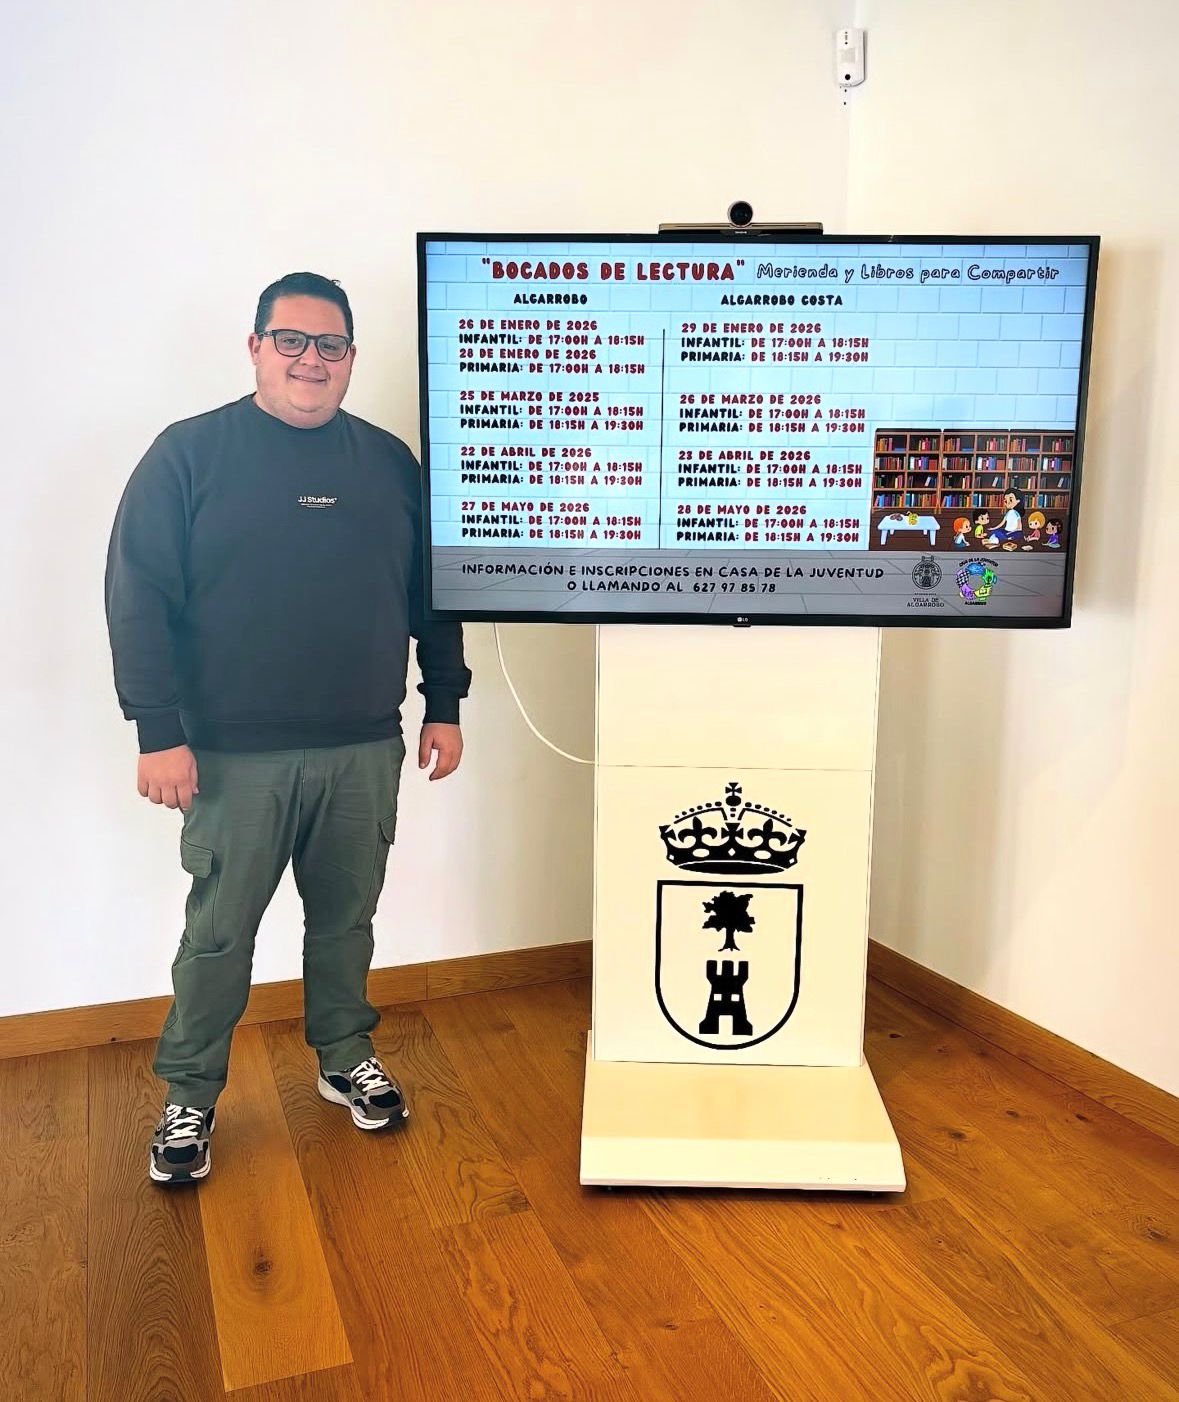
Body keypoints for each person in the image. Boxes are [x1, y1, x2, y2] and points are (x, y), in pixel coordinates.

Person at [105, 272, 471, 1185]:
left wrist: (445, 701)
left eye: (330, 344)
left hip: (364, 744)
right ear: (256, 347)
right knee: (218, 937)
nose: (312, 359)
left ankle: (344, 1056)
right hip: (230, 754)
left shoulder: (388, 463)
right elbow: (137, 597)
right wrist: (156, 731)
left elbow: (432, 592)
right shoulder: (188, 455)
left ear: (351, 357)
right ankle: (190, 1095)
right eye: (291, 340)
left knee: (346, 921)